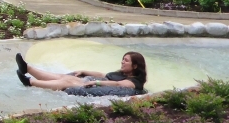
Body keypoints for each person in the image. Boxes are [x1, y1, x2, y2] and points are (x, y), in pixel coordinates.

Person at [15, 51, 147, 94]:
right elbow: (103, 74)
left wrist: (96, 82)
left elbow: (119, 85)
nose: (122, 62)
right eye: (122, 60)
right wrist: (85, 71)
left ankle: (30, 82)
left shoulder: (134, 82)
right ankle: (27, 68)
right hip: (96, 82)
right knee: (64, 76)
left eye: (126, 61)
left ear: (135, 66)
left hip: (98, 86)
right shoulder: (123, 73)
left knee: (67, 81)